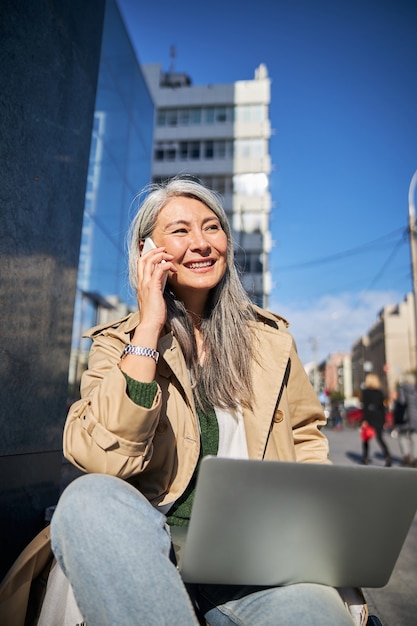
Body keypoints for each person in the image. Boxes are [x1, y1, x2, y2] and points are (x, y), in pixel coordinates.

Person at [50, 176, 360, 625]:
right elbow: (102, 458)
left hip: (255, 557)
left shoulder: (271, 341)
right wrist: (148, 329)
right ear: (145, 252)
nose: (201, 243)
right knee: (87, 498)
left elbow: (305, 442)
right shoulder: (117, 344)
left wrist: (316, 533)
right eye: (180, 230)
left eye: (212, 227)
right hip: (148, 551)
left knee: (314, 613)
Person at [360, 373, 391, 466]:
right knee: (380, 438)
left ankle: (365, 457)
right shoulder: (380, 393)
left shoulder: (366, 392)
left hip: (369, 417)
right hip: (379, 417)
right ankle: (387, 456)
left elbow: (365, 407)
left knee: (366, 439)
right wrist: (384, 421)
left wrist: (364, 420)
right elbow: (383, 408)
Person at [396, 374, 417, 467]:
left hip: (404, 418)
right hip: (415, 418)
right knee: (414, 438)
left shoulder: (402, 389)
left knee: (402, 436)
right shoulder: (415, 390)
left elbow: (402, 402)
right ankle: (415, 458)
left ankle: (406, 456)